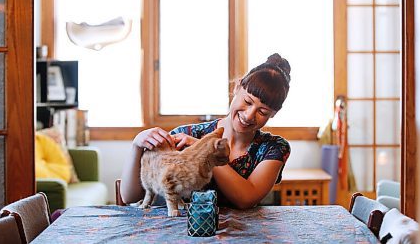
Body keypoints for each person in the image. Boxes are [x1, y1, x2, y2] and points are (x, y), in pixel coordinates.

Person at [120, 53, 291, 209]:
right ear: (237, 88)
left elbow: (246, 199)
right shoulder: (184, 135)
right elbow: (130, 197)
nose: (249, 115)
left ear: (273, 114)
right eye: (247, 101)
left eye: (262, 112)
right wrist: (136, 146)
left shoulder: (274, 148)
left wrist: (203, 150)